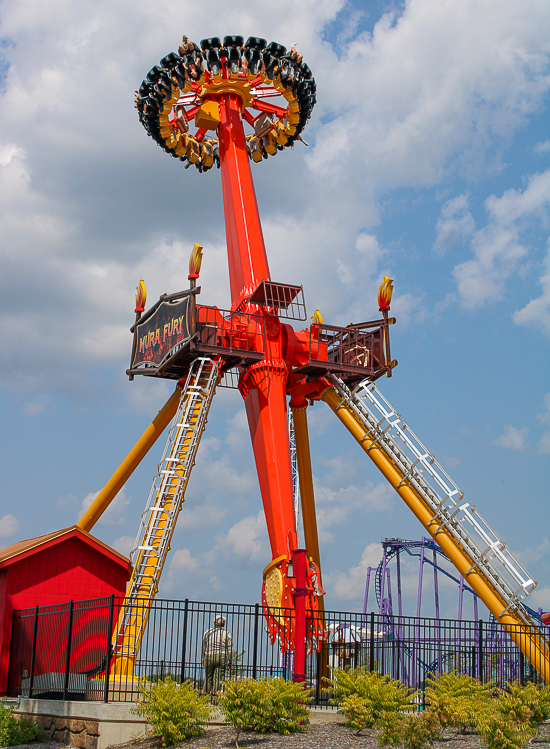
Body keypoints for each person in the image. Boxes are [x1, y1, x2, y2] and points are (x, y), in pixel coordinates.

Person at [202, 615, 232, 694]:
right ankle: (216, 699)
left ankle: (204, 698)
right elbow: (229, 649)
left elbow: (204, 646)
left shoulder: (208, 632)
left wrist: (203, 657)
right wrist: (230, 661)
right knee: (218, 679)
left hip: (209, 655)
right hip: (221, 656)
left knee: (208, 678)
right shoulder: (226, 633)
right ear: (223, 623)